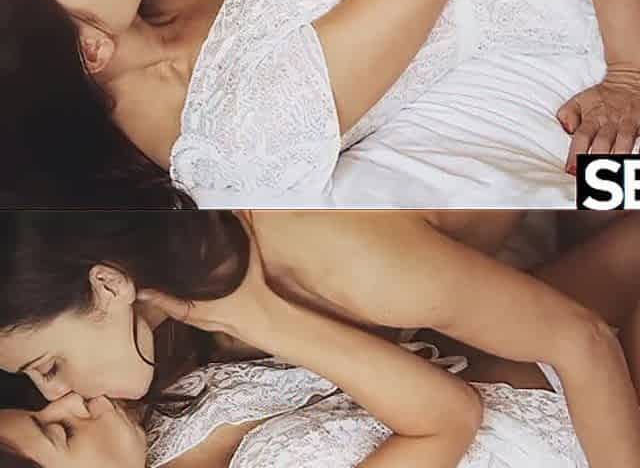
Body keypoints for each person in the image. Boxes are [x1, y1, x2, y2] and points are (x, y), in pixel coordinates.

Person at [0, 211, 639, 467]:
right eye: (61, 432)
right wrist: (258, 318)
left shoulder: (153, 405)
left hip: (510, 357)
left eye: (46, 377)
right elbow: (449, 418)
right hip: (574, 429)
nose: (66, 399)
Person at [4, 0, 640, 207]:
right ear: (90, 48)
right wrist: (628, 74)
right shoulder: (238, 132)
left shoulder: (154, 6)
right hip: (563, 40)